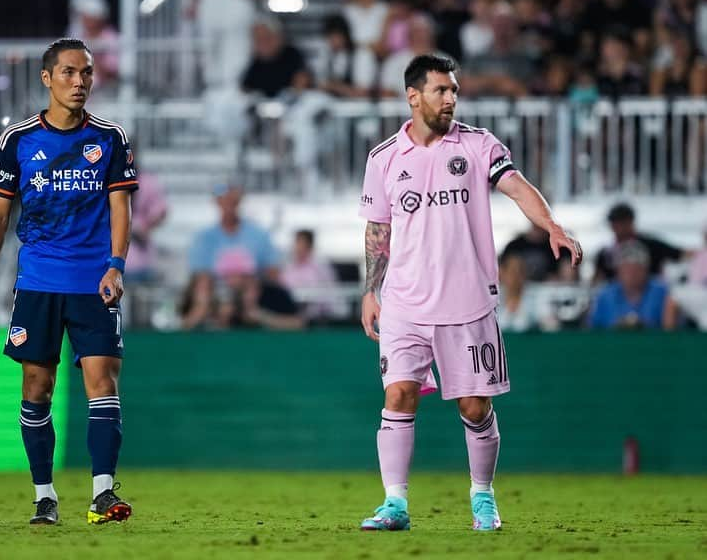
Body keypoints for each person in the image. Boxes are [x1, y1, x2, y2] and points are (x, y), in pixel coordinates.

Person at [357, 54, 582, 532]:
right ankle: (394, 504)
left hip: (467, 303)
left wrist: (552, 226)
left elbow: (518, 187)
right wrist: (370, 291)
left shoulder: (479, 145)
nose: (451, 98)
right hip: (404, 303)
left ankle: (483, 497)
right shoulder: (383, 159)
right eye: (442, 90)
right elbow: (379, 230)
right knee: (398, 395)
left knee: (475, 407)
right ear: (413, 96)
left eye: (454, 90)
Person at [0, 38, 137, 526]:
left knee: (103, 381)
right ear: (47, 79)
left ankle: (103, 494)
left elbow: (120, 207)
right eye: (68, 73)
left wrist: (116, 264)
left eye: (85, 73)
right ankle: (44, 495)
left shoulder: (110, 138)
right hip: (38, 282)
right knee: (36, 386)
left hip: (94, 282)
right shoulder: (18, 140)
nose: (79, 82)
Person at [182, 183, 281, 329]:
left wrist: (246, 281)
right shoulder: (204, 237)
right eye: (224, 200)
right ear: (217, 203)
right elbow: (199, 275)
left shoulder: (258, 235)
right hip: (215, 296)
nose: (228, 205)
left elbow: (272, 271)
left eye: (232, 201)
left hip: (252, 296)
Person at [589, 241, 672, 329]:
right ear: (618, 270)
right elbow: (593, 329)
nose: (632, 273)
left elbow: (673, 329)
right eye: (627, 268)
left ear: (647, 269)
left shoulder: (663, 293)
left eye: (637, 268)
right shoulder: (604, 295)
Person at [594, 203, 685, 283]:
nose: (616, 227)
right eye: (613, 223)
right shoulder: (604, 254)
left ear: (630, 222)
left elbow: (682, 255)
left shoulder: (651, 245)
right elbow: (597, 281)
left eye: (620, 222)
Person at [281, 229, 341, 322]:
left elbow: (329, 296)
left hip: (319, 319)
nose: (298, 248)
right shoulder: (287, 267)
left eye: (302, 244)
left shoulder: (321, 268)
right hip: (291, 316)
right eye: (297, 243)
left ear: (309, 246)